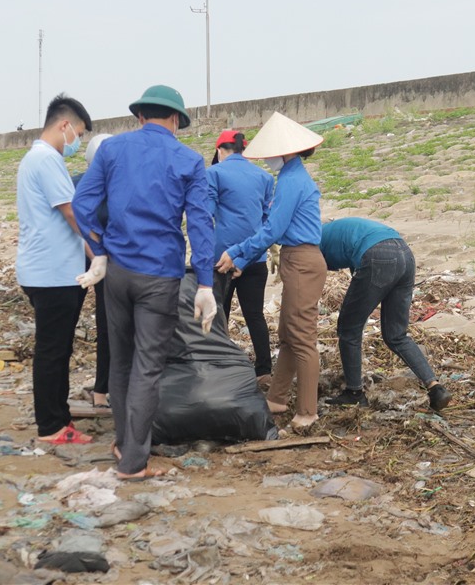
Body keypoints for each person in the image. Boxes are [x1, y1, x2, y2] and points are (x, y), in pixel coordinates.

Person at [73, 84, 217, 480]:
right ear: (175, 120)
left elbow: (83, 203)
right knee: (148, 367)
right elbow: (200, 223)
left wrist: (99, 248)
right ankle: (133, 462)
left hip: (116, 272)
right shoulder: (189, 160)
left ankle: (123, 441)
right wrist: (205, 283)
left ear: (140, 116)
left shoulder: (111, 150)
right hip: (159, 276)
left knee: (120, 360)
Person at [216, 112, 328, 430]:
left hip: (303, 262)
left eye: (269, 155)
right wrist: (240, 253)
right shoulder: (290, 177)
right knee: (289, 333)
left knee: (302, 336)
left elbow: (272, 229)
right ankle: (278, 397)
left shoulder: (292, 181)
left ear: (284, 152)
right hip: (296, 260)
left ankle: (308, 410)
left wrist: (237, 253)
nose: (267, 161)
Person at [17, 94, 95, 445]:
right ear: (64, 126)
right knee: (52, 350)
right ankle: (51, 426)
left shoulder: (37, 159)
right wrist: (102, 251)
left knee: (58, 348)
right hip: (52, 274)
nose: (76, 141)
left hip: (50, 269)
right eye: (77, 132)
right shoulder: (46, 160)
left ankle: (59, 420)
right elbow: (71, 213)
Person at [320, 217, 452, 411]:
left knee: (349, 330)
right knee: (396, 335)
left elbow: (313, 273)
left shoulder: (311, 242)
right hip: (405, 254)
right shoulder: (338, 231)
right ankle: (435, 387)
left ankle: (354, 393)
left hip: (378, 255)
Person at [207, 130, 275, 383]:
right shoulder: (264, 176)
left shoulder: (214, 173)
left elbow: (206, 214)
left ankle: (220, 366)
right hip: (255, 259)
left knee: (218, 314)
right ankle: (264, 370)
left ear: (219, 150)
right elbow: (267, 223)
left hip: (221, 260)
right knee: (254, 315)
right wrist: (246, 258)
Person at [72, 133, 112, 411]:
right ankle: (100, 391)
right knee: (104, 325)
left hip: (102, 259)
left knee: (108, 324)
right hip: (89, 259)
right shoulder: (78, 184)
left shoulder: (115, 185)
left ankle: (102, 390)